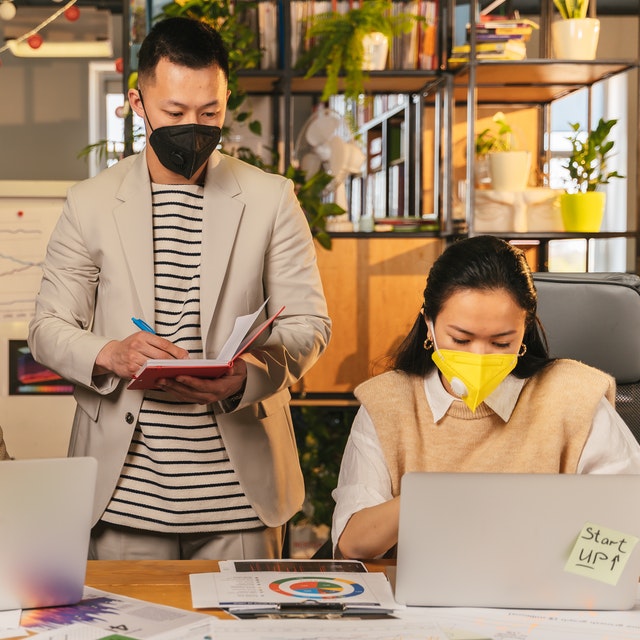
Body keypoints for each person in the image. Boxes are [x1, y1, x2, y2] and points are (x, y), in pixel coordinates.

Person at [28, 17, 330, 560]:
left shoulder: (271, 199)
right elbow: (48, 329)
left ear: (226, 99)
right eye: (174, 113)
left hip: (240, 501)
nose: (193, 126)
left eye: (209, 113)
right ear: (139, 102)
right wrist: (111, 353)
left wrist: (247, 376)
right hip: (122, 497)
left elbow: (309, 325)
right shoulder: (91, 203)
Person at [331, 235, 640, 560]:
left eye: (501, 342)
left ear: (525, 329)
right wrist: (433, 493)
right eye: (461, 339)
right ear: (429, 324)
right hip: (425, 602)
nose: (479, 355)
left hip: (546, 600)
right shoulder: (388, 402)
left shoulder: (573, 394)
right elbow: (353, 544)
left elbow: (627, 519)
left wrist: (568, 583)